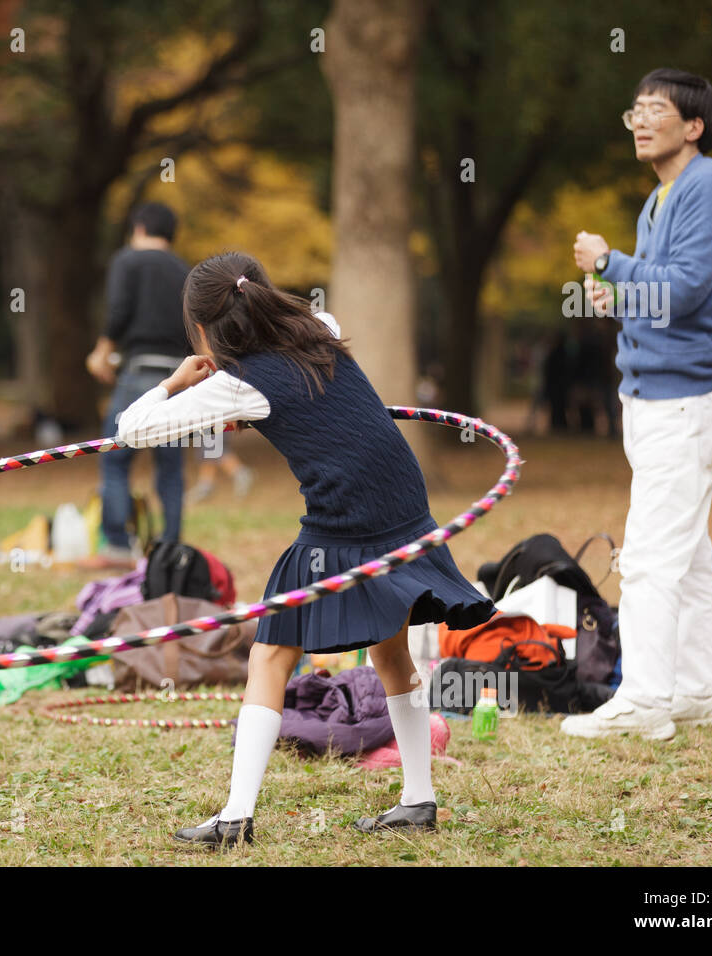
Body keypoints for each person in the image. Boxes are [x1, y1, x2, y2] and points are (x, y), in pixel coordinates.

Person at [115, 253, 495, 847]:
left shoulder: (238, 384)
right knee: (389, 650)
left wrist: (178, 382)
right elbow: (315, 399)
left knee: (270, 656)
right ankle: (419, 798)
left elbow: (132, 429)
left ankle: (236, 817)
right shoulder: (323, 330)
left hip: (345, 521)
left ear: (202, 330)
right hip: (400, 505)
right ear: (264, 295)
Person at [566, 68, 712, 739]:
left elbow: (691, 288)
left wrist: (612, 265)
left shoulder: (711, 184)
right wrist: (622, 300)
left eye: (656, 110)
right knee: (688, 557)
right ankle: (700, 692)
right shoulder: (659, 198)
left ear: (693, 125)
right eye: (634, 111)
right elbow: (662, 294)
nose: (640, 121)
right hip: (652, 401)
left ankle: (643, 702)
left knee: (646, 558)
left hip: (686, 404)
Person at [85, 202, 192, 568]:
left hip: (139, 371)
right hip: (178, 376)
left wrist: (101, 353)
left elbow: (118, 311)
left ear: (140, 228)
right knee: (171, 466)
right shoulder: (185, 270)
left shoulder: (127, 261)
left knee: (115, 458)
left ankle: (116, 545)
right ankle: (171, 546)